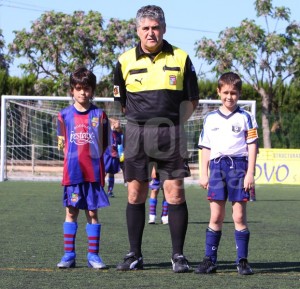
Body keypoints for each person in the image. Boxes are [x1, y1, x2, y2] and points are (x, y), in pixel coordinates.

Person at [113, 5, 199, 273]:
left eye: (156, 27)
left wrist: (170, 124)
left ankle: (178, 256)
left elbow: (192, 100)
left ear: (164, 28)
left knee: (174, 194)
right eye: (146, 28)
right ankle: (134, 254)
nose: (151, 33)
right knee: (135, 193)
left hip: (170, 133)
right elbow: (122, 103)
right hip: (137, 134)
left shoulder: (181, 58)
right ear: (138, 30)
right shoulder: (124, 60)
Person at [196, 72, 258, 275]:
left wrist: (250, 173)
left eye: (233, 93)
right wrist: (203, 173)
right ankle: (209, 260)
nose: (229, 97)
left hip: (239, 168)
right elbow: (205, 147)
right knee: (216, 216)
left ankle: (242, 261)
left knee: (239, 216)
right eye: (225, 92)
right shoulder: (210, 118)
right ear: (218, 92)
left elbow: (252, 146)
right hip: (216, 168)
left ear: (239, 93)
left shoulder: (246, 117)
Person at [56, 67, 110, 269]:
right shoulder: (63, 116)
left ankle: (93, 256)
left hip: (93, 174)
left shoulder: (100, 115)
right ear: (72, 90)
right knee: (71, 212)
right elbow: (62, 144)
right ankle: (68, 255)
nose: (82, 93)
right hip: (73, 174)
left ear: (92, 90)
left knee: (93, 214)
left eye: (86, 89)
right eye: (78, 88)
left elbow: (104, 143)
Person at [104, 118, 123, 197]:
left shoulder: (118, 133)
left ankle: (110, 191)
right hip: (107, 155)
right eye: (118, 123)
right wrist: (112, 122)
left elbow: (119, 142)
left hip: (114, 156)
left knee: (112, 173)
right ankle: (99, 189)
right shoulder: (108, 131)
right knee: (104, 172)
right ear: (113, 124)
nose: (120, 124)